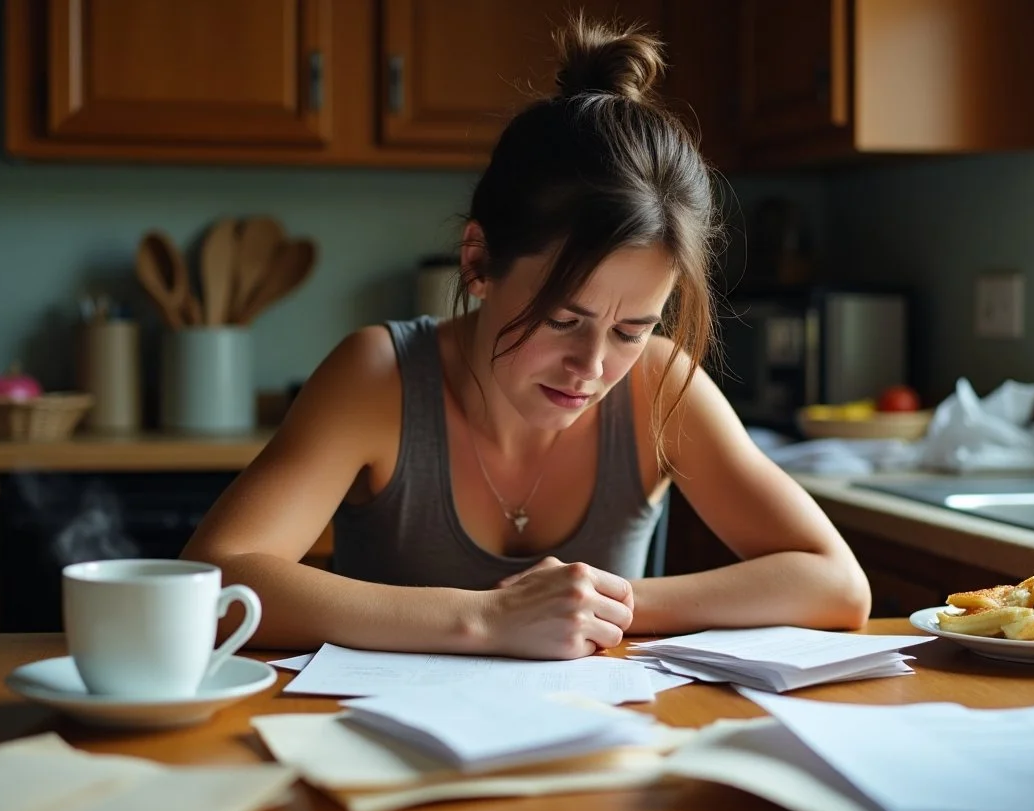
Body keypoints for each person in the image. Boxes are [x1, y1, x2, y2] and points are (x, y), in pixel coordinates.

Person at [180, 15, 872, 660]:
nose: (593, 367)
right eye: (563, 320)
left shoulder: (657, 383)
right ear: (477, 261)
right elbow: (209, 587)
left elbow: (837, 585)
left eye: (633, 328)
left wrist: (608, 607)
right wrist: (485, 620)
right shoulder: (379, 377)